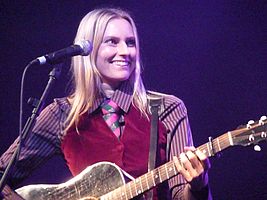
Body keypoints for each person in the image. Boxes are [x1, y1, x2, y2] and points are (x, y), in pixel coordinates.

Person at [0, 8, 212, 200]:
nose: (125, 51)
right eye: (112, 41)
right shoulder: (62, 114)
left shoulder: (168, 108)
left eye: (130, 42)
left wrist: (198, 185)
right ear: (87, 50)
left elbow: (180, 195)